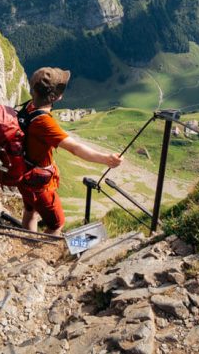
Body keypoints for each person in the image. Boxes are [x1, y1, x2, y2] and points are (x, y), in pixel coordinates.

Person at [18, 67, 123, 235]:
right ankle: (41, 256)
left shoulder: (28, 107)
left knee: (30, 210)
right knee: (57, 223)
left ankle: (27, 238)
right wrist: (106, 159)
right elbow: (75, 148)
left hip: (24, 174)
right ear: (53, 97)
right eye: (61, 88)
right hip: (39, 184)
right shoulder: (44, 123)